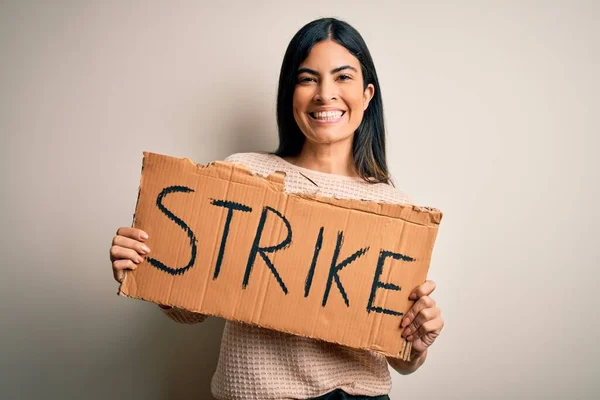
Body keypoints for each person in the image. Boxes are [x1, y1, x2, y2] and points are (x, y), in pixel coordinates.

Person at [109, 17, 444, 400]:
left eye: (343, 77)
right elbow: (192, 308)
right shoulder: (243, 174)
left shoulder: (395, 208)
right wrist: (149, 267)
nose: (324, 94)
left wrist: (417, 343)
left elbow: (400, 358)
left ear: (368, 95)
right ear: (291, 94)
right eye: (307, 79)